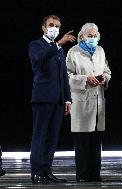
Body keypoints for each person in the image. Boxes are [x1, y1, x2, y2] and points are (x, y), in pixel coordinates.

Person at [29, 15, 75, 184]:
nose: (54, 28)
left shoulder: (59, 50)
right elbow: (39, 59)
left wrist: (68, 99)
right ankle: (36, 172)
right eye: (51, 25)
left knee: (52, 137)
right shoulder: (36, 45)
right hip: (43, 97)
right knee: (40, 136)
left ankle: (46, 170)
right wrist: (59, 44)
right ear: (43, 27)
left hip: (58, 100)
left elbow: (63, 75)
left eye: (57, 25)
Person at [66, 23, 111, 182]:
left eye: (95, 35)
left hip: (98, 100)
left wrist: (105, 77)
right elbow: (68, 76)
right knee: (82, 141)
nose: (92, 38)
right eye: (89, 35)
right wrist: (85, 79)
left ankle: (95, 174)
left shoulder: (100, 50)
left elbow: (106, 70)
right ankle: (83, 175)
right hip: (81, 102)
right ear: (82, 36)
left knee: (96, 140)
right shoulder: (74, 52)